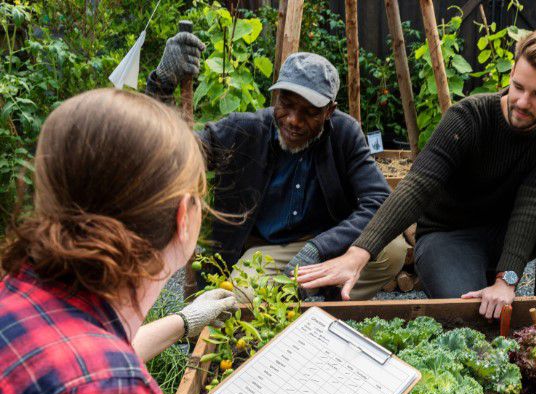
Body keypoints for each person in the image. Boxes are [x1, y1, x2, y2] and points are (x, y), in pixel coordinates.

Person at [0, 89, 235, 394]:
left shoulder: (19, 294)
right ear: (183, 217)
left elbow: (74, 357)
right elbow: (93, 377)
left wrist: (186, 320)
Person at [296, 29, 536, 320]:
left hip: (504, 231)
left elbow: (533, 201)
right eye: (518, 87)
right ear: (512, 72)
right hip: (448, 237)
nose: (523, 102)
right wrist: (359, 253)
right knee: (471, 317)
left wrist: (507, 279)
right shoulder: (469, 117)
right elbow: (418, 185)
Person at [147, 34, 407, 301]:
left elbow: (378, 200)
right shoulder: (244, 131)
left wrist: (319, 248)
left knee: (392, 250)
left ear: (329, 111)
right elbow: (172, 154)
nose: (293, 120)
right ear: (277, 96)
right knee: (239, 298)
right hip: (264, 252)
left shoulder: (343, 134)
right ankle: (302, 298)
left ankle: (303, 294)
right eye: (286, 105)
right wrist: (162, 84)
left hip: (326, 244)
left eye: (309, 112)